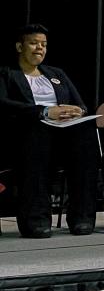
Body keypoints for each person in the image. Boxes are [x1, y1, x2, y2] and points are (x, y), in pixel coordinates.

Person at [0, 24, 98, 238]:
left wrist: (76, 111)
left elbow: (81, 104)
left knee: (86, 133)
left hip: (63, 132)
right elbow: (3, 103)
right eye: (34, 43)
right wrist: (44, 111)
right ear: (19, 46)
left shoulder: (56, 73)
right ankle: (36, 221)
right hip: (26, 133)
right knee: (37, 132)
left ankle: (82, 218)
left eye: (43, 45)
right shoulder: (7, 73)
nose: (40, 48)